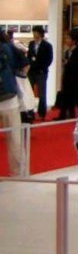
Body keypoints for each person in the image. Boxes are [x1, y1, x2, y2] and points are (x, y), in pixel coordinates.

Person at [1, 30, 26, 176]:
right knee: (15, 141)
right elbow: (25, 65)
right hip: (9, 99)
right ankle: (18, 174)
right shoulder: (9, 47)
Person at [27, 26, 53, 120]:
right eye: (33, 32)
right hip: (31, 72)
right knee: (29, 92)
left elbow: (49, 59)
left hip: (41, 72)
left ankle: (41, 113)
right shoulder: (31, 44)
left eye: (36, 32)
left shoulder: (47, 45)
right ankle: (29, 112)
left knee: (42, 93)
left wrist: (41, 67)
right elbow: (29, 57)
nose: (34, 34)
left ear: (40, 33)